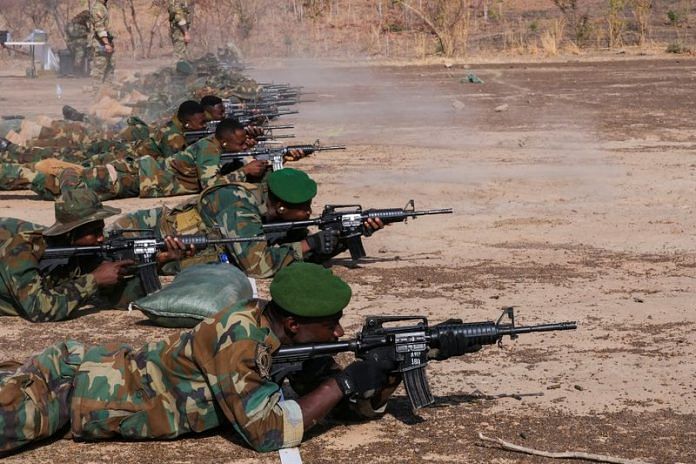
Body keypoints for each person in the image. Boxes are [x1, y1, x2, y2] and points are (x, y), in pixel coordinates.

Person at [0, 263, 401, 454]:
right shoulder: (240, 337)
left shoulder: (282, 338)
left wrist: (381, 381)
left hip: (84, 386)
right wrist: (342, 382)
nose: (339, 334)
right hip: (67, 386)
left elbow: (330, 409)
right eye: (331, 325)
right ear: (294, 324)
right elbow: (266, 433)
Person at [110, 168, 384, 278]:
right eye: (304, 209)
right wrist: (308, 244)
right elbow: (259, 267)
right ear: (281, 206)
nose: (309, 213)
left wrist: (346, 236)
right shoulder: (239, 207)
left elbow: (297, 249)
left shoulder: (265, 204)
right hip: (136, 237)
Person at [0, 188, 192, 322]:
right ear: (70, 233)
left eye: (101, 229)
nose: (102, 238)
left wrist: (157, 261)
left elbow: (121, 299)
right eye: (94, 232)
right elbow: (38, 309)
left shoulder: (84, 254)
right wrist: (93, 280)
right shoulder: (22, 249)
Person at [90, 0, 115, 86]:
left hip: (107, 43)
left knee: (110, 70)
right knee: (99, 72)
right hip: (100, 45)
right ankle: (96, 96)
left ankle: (106, 94)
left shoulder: (103, 6)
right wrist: (106, 44)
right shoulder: (98, 8)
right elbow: (99, 28)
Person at [65, 10, 91, 76]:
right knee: (80, 51)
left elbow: (88, 32)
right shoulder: (72, 23)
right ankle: (77, 70)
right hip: (73, 43)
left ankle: (88, 69)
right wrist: (84, 33)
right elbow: (73, 34)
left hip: (82, 42)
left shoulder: (83, 24)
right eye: (85, 18)